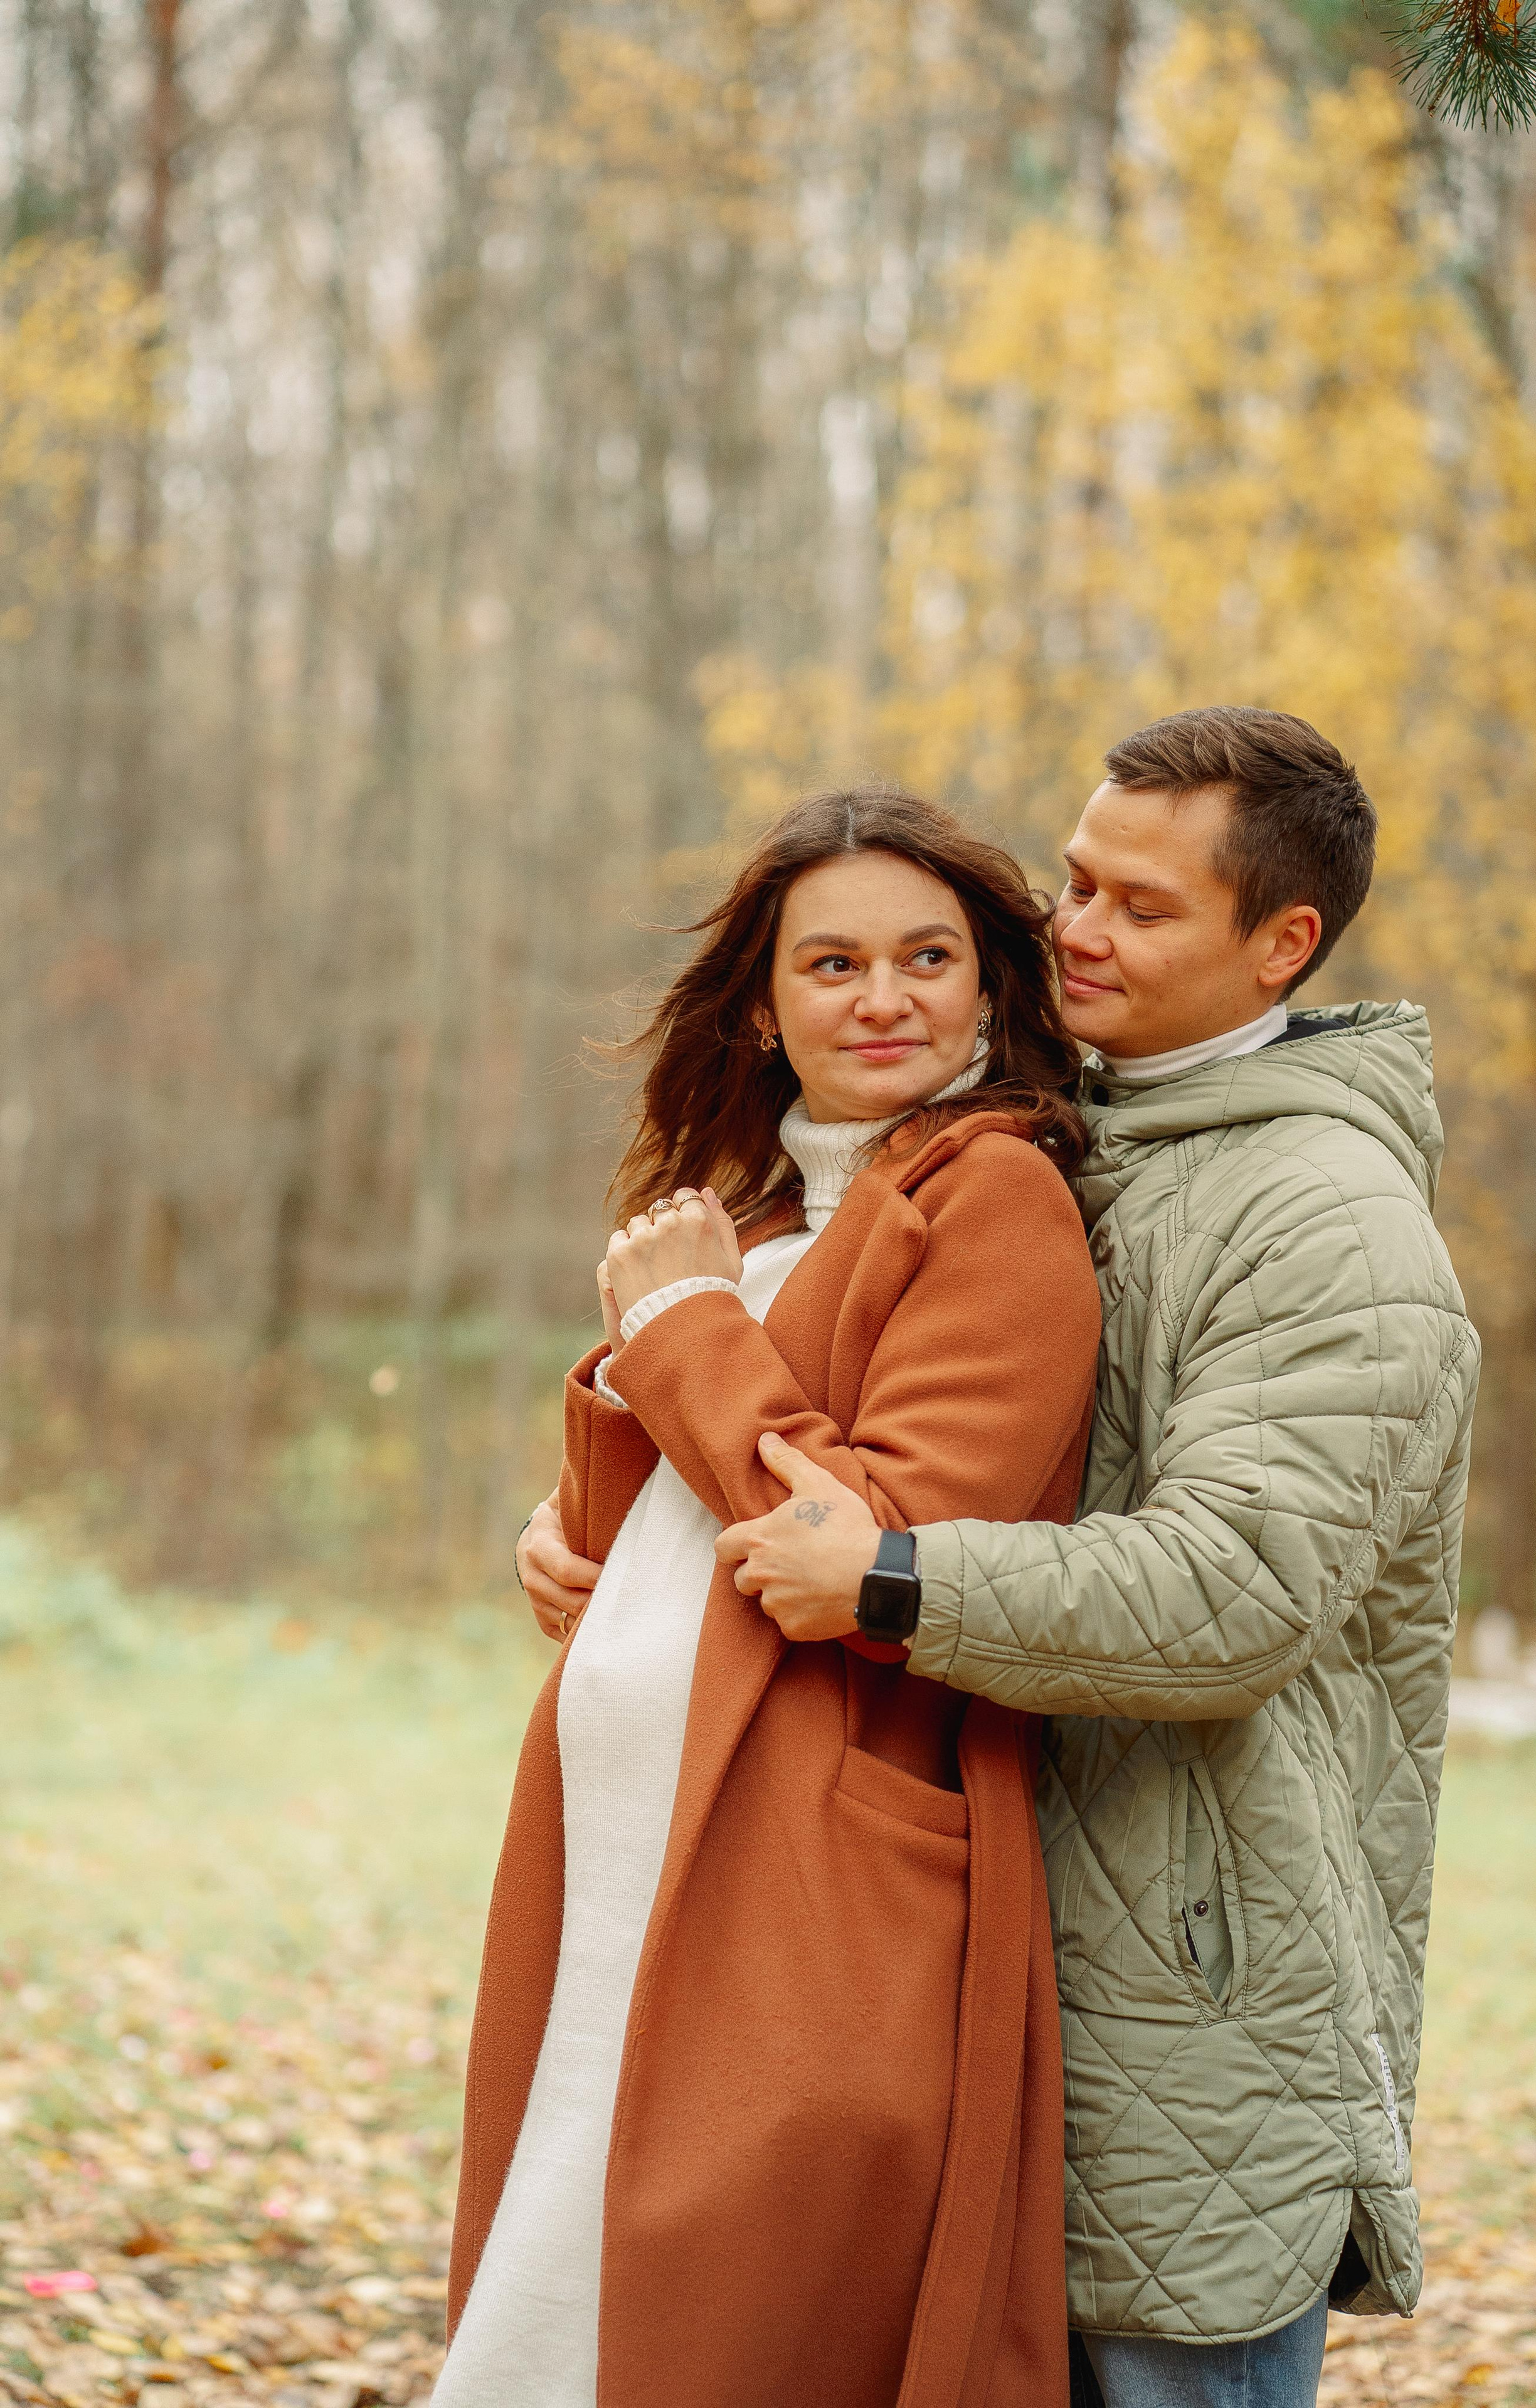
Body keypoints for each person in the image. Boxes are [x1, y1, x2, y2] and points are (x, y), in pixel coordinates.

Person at [523, 706, 1480, 2408]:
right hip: (981, 1952)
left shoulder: (1328, 1218)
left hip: (1187, 1997)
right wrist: (602, 1541)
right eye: (1077, 881)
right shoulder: (1046, 1134)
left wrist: (898, 1580)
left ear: (1283, 945)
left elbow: (1233, 1593)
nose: (1077, 930)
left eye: (1142, 907)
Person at [444, 787, 1104, 2408]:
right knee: (564, 2311)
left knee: (719, 2330)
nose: (884, 998)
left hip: (811, 1862)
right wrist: (570, 1531)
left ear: (989, 987)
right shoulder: (755, 1216)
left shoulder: (995, 1199)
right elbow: (693, 1506)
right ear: (762, 1004)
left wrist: (678, 1335)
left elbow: (883, 1548)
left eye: (928, 958)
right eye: (833, 964)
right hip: (625, 1852)